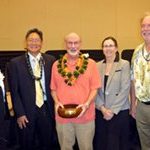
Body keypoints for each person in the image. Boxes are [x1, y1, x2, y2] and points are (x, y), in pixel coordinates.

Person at [7, 28, 56, 150]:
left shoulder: (51, 60)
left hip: (47, 109)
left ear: (42, 42)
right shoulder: (15, 63)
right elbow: (14, 91)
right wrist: (20, 113)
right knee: (27, 144)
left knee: (47, 143)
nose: (34, 43)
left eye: (37, 40)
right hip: (26, 112)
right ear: (26, 42)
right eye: (31, 40)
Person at [50, 32, 101, 150]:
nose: (73, 46)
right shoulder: (56, 65)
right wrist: (57, 102)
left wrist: (87, 104)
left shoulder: (91, 64)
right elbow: (53, 89)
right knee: (65, 147)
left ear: (80, 44)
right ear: (65, 45)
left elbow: (95, 89)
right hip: (62, 117)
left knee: (86, 147)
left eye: (76, 43)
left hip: (85, 116)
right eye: (70, 43)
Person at [94, 36, 130, 150]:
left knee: (117, 144)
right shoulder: (97, 65)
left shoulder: (124, 64)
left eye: (110, 46)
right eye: (105, 46)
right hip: (102, 112)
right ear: (102, 49)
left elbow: (125, 89)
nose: (108, 48)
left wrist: (112, 111)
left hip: (119, 111)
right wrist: (103, 109)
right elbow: (94, 89)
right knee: (103, 143)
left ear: (116, 48)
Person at [131, 13, 150, 150]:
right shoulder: (137, 51)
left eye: (149, 25)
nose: (145, 29)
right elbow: (133, 79)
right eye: (143, 26)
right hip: (142, 107)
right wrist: (133, 105)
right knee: (145, 145)